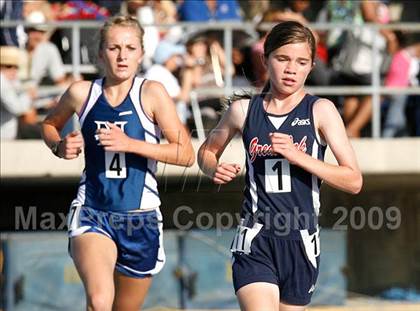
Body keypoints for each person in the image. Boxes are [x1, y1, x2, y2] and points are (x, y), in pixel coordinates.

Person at [198, 21, 362, 310]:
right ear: (265, 59)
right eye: (282, 59)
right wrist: (213, 167)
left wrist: (300, 156)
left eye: (301, 62)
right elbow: (207, 152)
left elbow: (353, 181)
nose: (291, 69)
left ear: (311, 66)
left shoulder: (320, 110)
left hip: (301, 240)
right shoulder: (243, 110)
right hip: (255, 236)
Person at [41, 15, 194, 310]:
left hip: (141, 218)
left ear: (141, 53)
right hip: (93, 212)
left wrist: (131, 145)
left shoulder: (152, 93)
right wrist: (59, 146)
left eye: (130, 48)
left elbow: (185, 155)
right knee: (99, 301)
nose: (122, 56)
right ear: (101, 53)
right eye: (113, 48)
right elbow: (49, 124)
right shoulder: (81, 93)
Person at [0, 45, 38, 140]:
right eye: (9, 66)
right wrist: (29, 96)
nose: (14, 70)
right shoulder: (2, 81)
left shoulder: (9, 82)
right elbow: (17, 108)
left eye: (16, 67)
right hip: (4, 136)